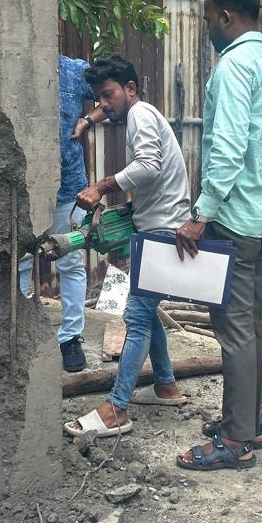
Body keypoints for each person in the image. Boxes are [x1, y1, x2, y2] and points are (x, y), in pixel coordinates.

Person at [175, 0, 262, 470]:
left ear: (226, 17)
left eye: (209, 18)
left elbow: (226, 150)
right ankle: (250, 425)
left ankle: (235, 441)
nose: (208, 27)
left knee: (235, 332)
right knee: (250, 327)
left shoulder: (233, 68)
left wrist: (200, 215)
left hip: (236, 225)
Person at [64, 55, 190, 438]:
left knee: (136, 316)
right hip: (159, 225)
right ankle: (166, 386)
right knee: (147, 312)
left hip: (163, 229)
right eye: (98, 98)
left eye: (109, 95)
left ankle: (117, 408)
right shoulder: (137, 114)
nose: (103, 104)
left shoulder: (140, 115)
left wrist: (101, 186)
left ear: (130, 89)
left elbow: (149, 166)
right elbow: (149, 168)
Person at [19, 54, 104, 372]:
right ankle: (18, 335)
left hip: (68, 187)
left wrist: (88, 120)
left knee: (70, 262)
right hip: (23, 189)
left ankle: (70, 338)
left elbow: (111, 94)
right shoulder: (14, 66)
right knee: (20, 261)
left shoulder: (74, 70)